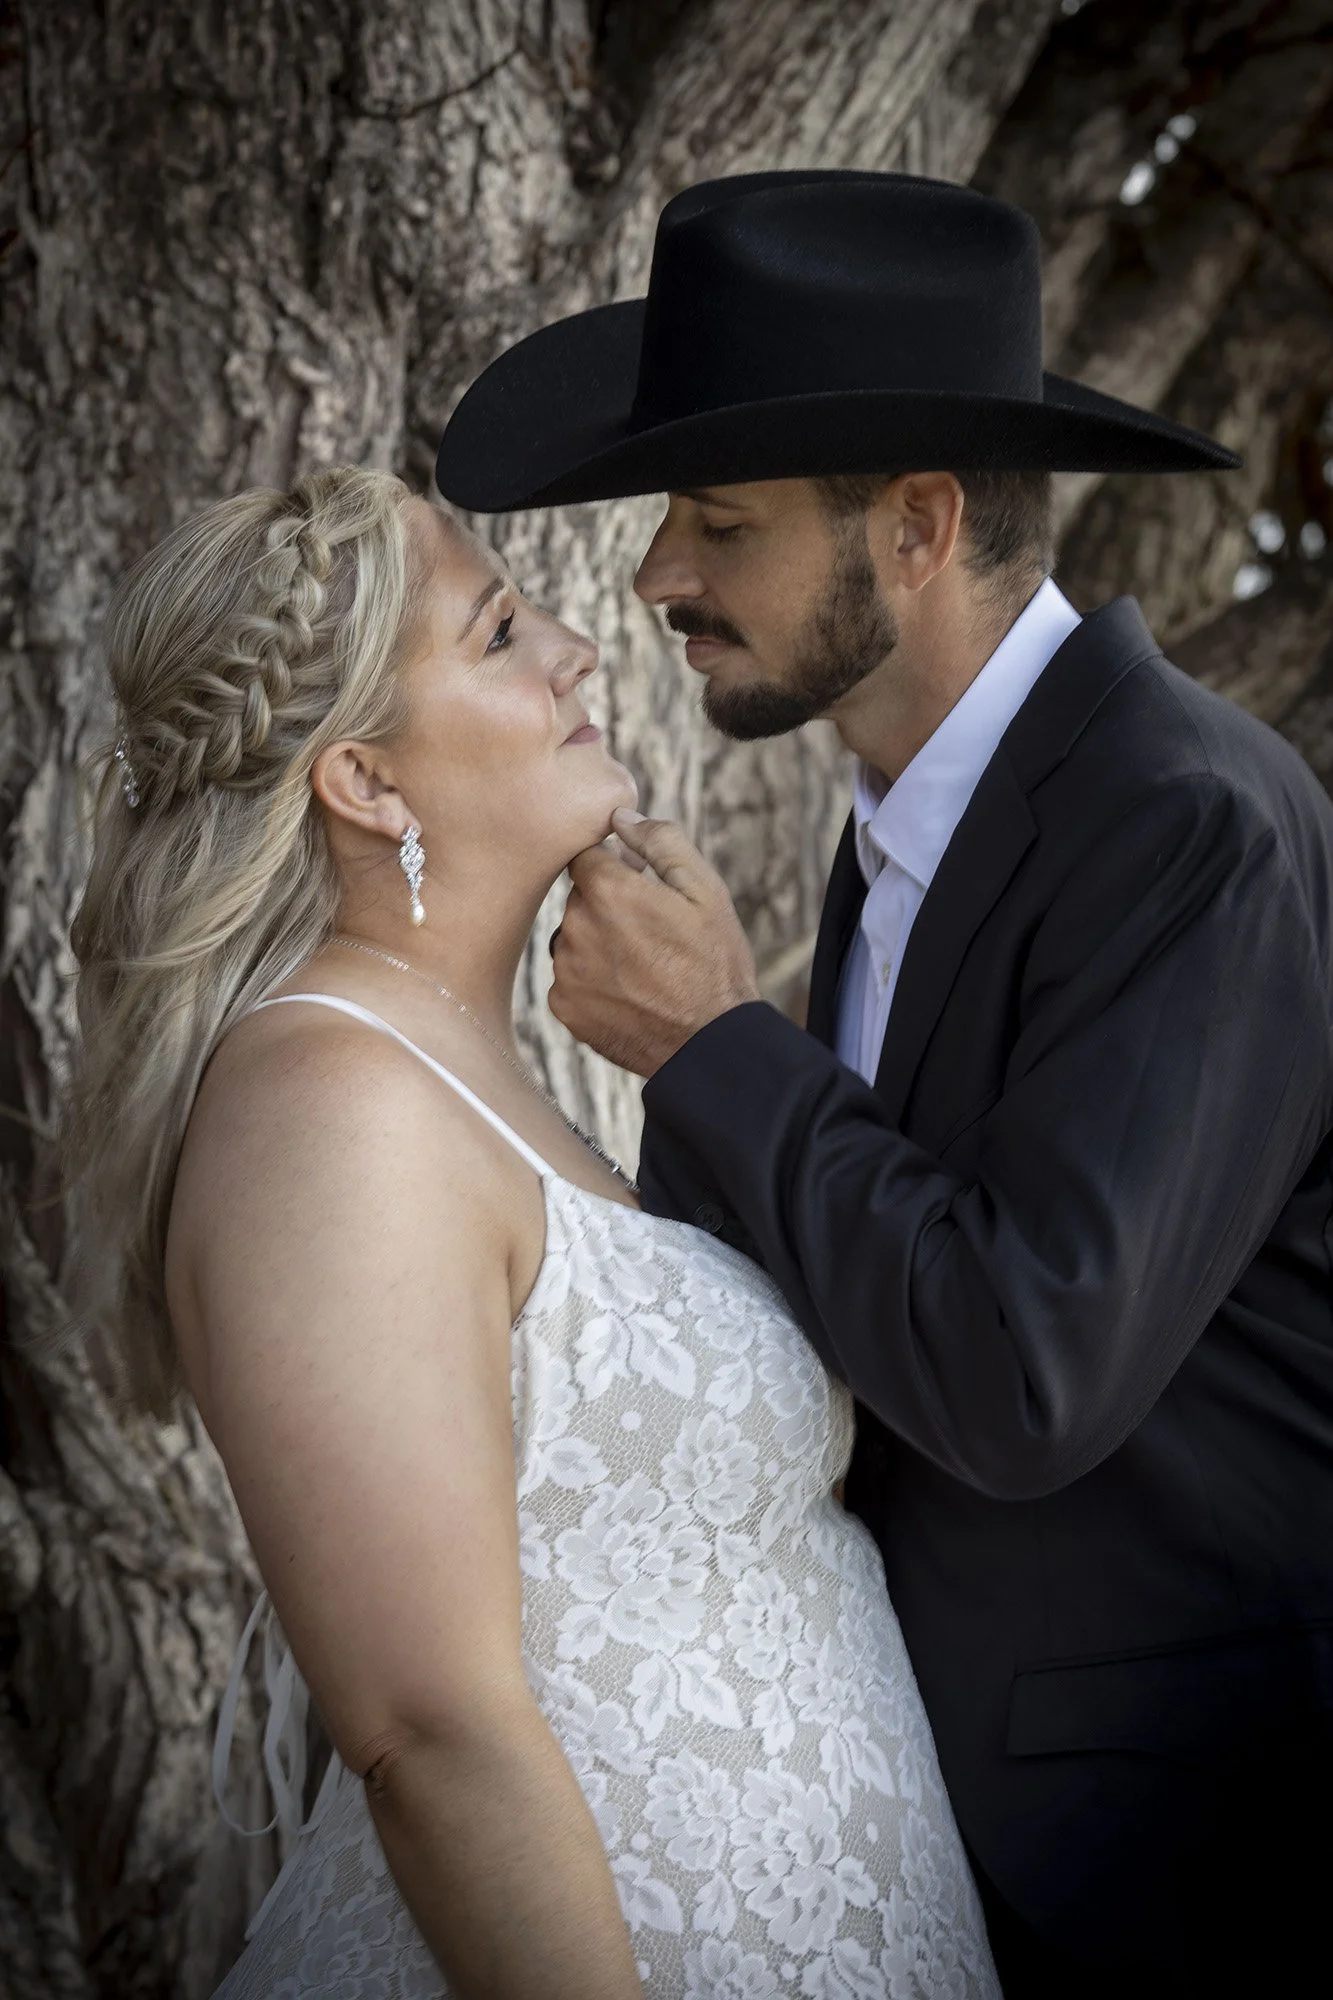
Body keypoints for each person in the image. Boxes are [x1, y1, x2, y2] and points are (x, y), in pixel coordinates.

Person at [436, 170, 1333, 1997]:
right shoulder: (905, 840)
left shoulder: (1187, 828)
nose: (658, 575)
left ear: (916, 526)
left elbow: (1021, 1372)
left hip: (1176, 1873)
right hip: (925, 1840)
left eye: (719, 518)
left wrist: (714, 1047)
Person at [61, 465, 1000, 1998]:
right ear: (364, 782)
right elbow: (430, 1729)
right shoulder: (324, 1105)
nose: (576, 645)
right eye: (499, 631)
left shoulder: (477, 1077)